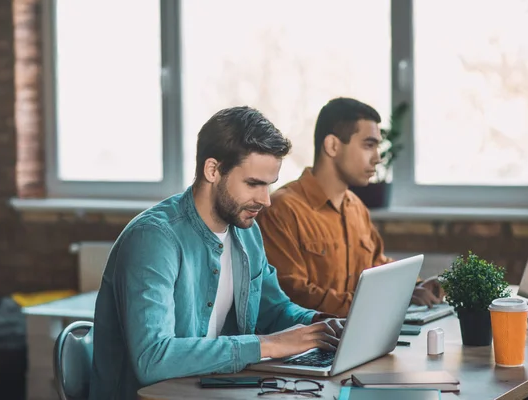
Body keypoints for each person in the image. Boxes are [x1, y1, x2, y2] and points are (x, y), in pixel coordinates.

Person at [89, 106, 344, 400]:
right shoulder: (154, 238)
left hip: (209, 390)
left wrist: (321, 325)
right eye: (253, 184)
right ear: (213, 170)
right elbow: (153, 358)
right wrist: (269, 345)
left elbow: (274, 310)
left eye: (268, 185)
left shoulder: (246, 230)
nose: (266, 200)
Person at [256, 97, 444, 318]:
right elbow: (293, 295)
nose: (377, 158)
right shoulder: (282, 209)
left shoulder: (356, 207)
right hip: (313, 342)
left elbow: (377, 266)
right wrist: (387, 302)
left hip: (361, 334)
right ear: (333, 146)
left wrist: (415, 286)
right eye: (369, 145)